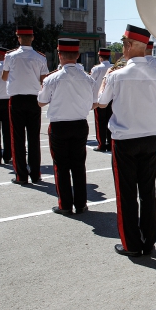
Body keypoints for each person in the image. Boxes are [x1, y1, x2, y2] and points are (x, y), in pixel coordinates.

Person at [96, 25, 156, 257]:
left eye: (124, 45)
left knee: (126, 193)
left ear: (128, 46)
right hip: (150, 138)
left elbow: (100, 102)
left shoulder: (116, 75)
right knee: (148, 192)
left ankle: (131, 244)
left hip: (124, 140)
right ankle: (149, 242)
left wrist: (104, 81)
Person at [38, 39, 96, 215]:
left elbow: (41, 102)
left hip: (59, 126)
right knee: (79, 165)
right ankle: (81, 204)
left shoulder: (52, 78)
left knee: (61, 167)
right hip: (80, 124)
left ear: (59, 55)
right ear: (78, 56)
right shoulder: (88, 78)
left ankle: (65, 205)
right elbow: (93, 104)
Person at [2, 26, 48, 185]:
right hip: (34, 99)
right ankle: (36, 174)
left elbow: (4, 77)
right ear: (33, 38)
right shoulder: (40, 58)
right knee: (34, 138)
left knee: (18, 138)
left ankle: (21, 175)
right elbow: (44, 80)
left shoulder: (10, 56)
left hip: (17, 99)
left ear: (18, 37)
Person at [90, 48, 114, 152]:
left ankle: (101, 144)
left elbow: (91, 83)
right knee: (110, 121)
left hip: (98, 99)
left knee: (100, 122)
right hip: (111, 99)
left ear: (100, 57)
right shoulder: (114, 67)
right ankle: (110, 143)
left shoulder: (96, 69)